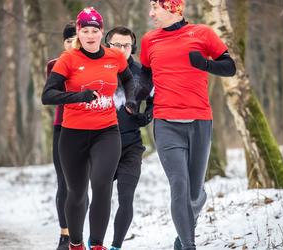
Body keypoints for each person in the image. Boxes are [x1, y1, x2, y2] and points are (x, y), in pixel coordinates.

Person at [138, 1, 236, 249]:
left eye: (155, 8)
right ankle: (189, 245)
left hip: (200, 121)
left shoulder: (202, 33)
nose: (151, 13)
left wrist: (205, 64)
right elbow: (145, 75)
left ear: (172, 8)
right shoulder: (149, 40)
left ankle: (182, 238)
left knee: (194, 194)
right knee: (179, 185)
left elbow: (230, 67)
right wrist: (138, 96)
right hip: (165, 123)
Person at [42, 7, 136, 250]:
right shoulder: (68, 59)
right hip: (72, 134)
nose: (91, 35)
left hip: (107, 131)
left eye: (95, 30)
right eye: (85, 30)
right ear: (79, 33)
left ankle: (97, 245)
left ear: (101, 31)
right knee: (76, 191)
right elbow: (48, 95)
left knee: (102, 184)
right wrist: (78, 96)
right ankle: (75, 243)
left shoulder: (114, 56)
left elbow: (127, 79)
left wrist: (131, 100)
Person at [103, 26, 153, 250]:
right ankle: (94, 242)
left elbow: (155, 99)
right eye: (116, 45)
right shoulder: (99, 68)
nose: (122, 49)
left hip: (131, 145)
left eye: (126, 45)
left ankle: (115, 246)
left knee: (126, 198)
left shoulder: (143, 73)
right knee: (100, 198)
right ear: (107, 45)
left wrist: (146, 117)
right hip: (100, 144)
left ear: (133, 47)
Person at [46, 21, 77, 250]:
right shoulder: (55, 65)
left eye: (75, 39)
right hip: (62, 127)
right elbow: (52, 95)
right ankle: (65, 235)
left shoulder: (97, 63)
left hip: (89, 129)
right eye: (68, 40)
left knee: (83, 185)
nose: (73, 44)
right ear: (63, 43)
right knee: (64, 183)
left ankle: (79, 234)